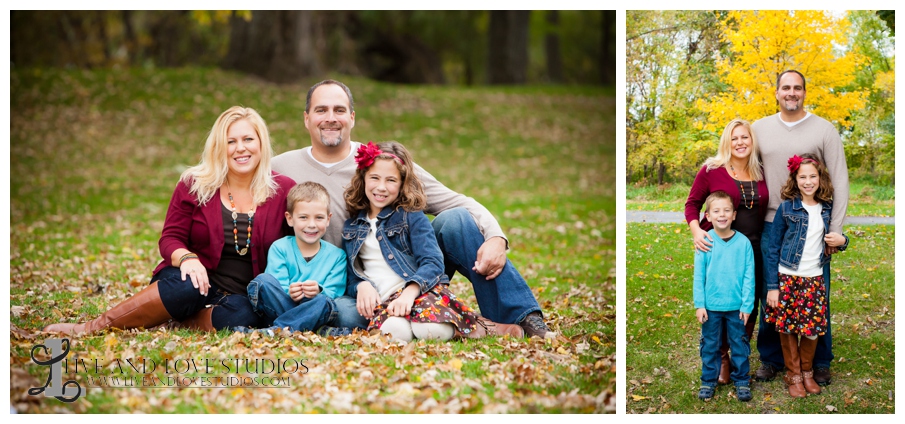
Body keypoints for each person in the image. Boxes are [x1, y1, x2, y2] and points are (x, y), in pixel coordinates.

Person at [271, 79, 554, 338]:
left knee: (455, 220)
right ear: (306, 119)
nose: (330, 118)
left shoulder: (380, 164)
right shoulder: (280, 168)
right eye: (321, 110)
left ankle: (524, 317)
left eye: (339, 110)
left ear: (352, 118)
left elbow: (458, 201)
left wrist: (495, 237)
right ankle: (465, 322)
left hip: (407, 270)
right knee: (341, 314)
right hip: (350, 287)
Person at [44, 106, 296, 335]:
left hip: (240, 296)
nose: (241, 148)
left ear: (261, 144)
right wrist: (187, 258)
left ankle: (178, 320)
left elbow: (296, 244)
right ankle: (92, 327)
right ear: (220, 147)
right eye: (231, 141)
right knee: (190, 287)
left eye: (248, 139)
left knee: (249, 315)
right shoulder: (195, 185)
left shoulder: (283, 190)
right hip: (190, 279)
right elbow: (170, 238)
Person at [342, 141, 522, 341]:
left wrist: (409, 293)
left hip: (420, 294)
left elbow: (433, 262)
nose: (381, 187)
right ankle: (425, 323)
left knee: (429, 330)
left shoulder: (410, 217)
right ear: (363, 179)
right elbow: (352, 275)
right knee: (394, 333)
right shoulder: (352, 227)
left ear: (402, 183)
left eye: (391, 180)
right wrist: (361, 286)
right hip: (385, 304)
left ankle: (478, 327)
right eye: (374, 178)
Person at [751, 70, 849, 385]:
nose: (792, 92)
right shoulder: (759, 129)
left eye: (797, 88)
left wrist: (835, 229)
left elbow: (840, 178)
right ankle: (771, 358)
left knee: (818, 294)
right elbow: (742, 164)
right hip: (770, 223)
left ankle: (819, 361)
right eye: (786, 88)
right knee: (773, 292)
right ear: (777, 92)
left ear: (805, 92)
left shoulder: (824, 130)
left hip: (815, 227)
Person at [684, 118, 768, 385]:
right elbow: (692, 204)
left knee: (749, 302)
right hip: (719, 248)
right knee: (719, 298)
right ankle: (720, 357)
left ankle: (737, 351)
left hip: (753, 246)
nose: (740, 143)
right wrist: (697, 231)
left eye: (745, 137)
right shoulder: (712, 169)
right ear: (726, 142)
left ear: (752, 141)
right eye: (735, 138)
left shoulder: (761, 170)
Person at [763, 154, 849, 398]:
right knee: (788, 327)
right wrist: (772, 286)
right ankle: (793, 376)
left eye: (813, 176)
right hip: (787, 277)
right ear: (795, 179)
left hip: (814, 278)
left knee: (811, 329)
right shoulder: (787, 208)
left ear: (820, 179)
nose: (808, 181)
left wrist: (843, 241)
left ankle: (808, 372)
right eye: (803, 177)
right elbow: (773, 249)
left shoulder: (827, 209)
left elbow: (838, 239)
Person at [243, 181, 349, 336]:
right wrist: (290, 292)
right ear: (290, 218)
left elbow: (334, 293)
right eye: (303, 217)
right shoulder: (280, 248)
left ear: (328, 219)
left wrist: (319, 290)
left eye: (319, 217)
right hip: (283, 303)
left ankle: (276, 331)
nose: (311, 224)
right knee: (262, 281)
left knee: (323, 302)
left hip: (315, 307)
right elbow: (276, 286)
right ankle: (312, 328)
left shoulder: (337, 256)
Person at [693, 191, 755, 402]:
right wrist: (699, 304)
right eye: (716, 211)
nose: (722, 215)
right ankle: (708, 380)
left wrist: (747, 306)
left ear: (734, 215)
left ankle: (742, 381)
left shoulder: (743, 243)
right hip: (711, 306)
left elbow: (749, 276)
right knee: (710, 345)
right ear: (708, 216)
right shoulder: (705, 241)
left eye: (726, 210)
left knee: (739, 344)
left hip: (736, 307)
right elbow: (698, 276)